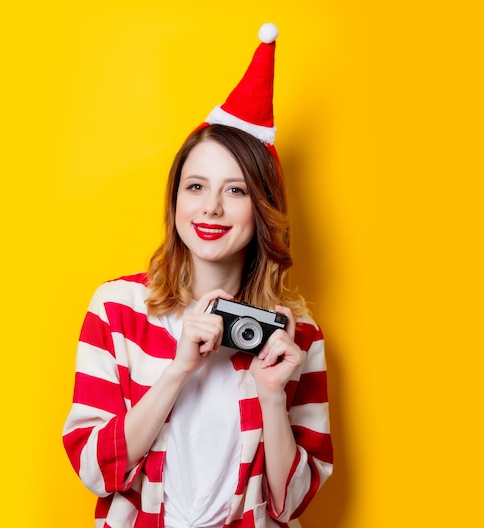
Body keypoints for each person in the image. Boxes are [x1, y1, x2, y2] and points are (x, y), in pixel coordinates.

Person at [63, 23, 333, 528]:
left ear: (263, 208)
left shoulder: (298, 337)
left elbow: (291, 505)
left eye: (236, 191)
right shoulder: (117, 309)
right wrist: (178, 370)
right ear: (175, 200)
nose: (211, 208)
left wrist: (273, 395)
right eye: (196, 186)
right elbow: (94, 469)